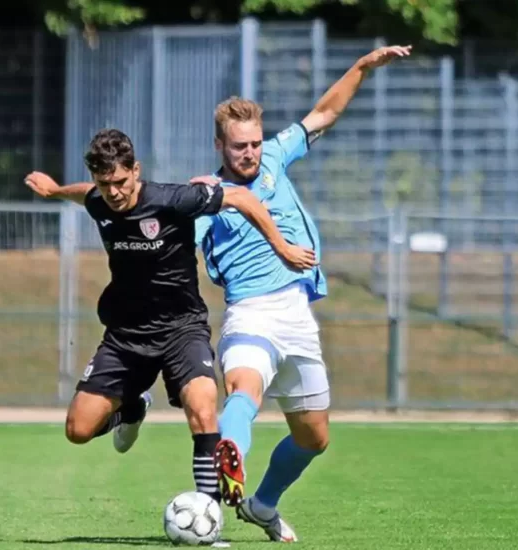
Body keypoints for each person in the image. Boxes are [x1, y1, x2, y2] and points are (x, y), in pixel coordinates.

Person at [23, 128, 316, 505]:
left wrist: (283, 248)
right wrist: (55, 191)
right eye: (104, 182)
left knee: (203, 405)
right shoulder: (101, 201)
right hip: (126, 336)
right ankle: (133, 407)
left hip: (182, 329)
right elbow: (86, 195)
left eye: (120, 181)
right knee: (78, 430)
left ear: (136, 171)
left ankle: (208, 513)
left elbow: (241, 196)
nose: (113, 192)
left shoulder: (173, 199)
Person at [191, 44, 412, 541]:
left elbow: (326, 112)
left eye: (253, 143)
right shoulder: (205, 195)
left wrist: (361, 67)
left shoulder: (274, 156)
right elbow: (163, 235)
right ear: (218, 146)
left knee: (314, 437)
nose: (248, 152)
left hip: (298, 317)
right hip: (250, 314)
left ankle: (262, 504)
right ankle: (230, 458)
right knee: (243, 389)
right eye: (237, 146)